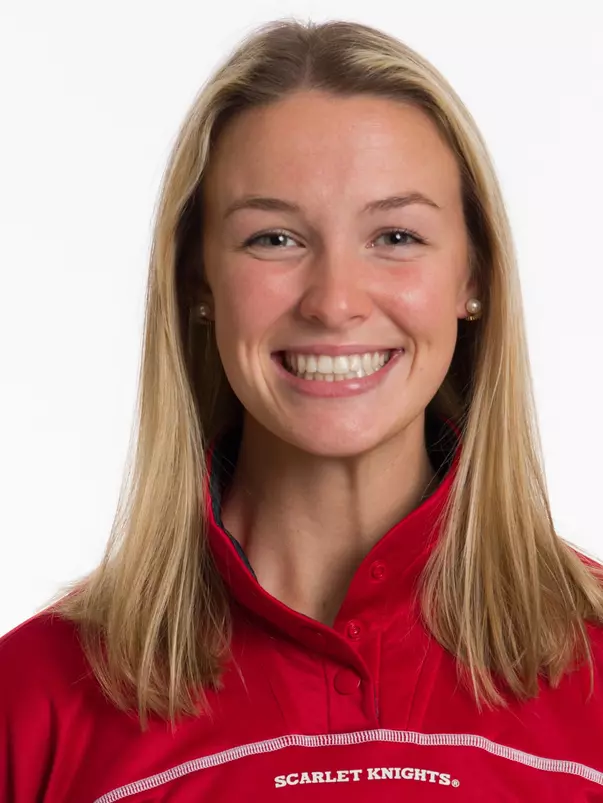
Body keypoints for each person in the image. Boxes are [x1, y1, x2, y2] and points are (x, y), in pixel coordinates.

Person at [1, 17, 603, 803]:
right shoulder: (34, 701)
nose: (334, 302)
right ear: (198, 284)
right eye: (274, 238)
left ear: (473, 278)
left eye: (394, 234)